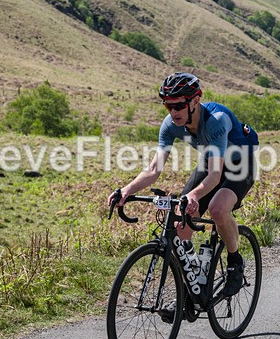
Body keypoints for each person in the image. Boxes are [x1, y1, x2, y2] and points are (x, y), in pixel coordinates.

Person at [107, 71, 258, 298]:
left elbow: (216, 177)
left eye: (178, 105)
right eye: (168, 106)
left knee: (218, 209)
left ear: (195, 101)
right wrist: (126, 191)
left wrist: (195, 195)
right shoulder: (170, 125)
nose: (173, 112)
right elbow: (153, 170)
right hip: (211, 161)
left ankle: (235, 261)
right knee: (180, 223)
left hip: (239, 165)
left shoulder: (216, 121)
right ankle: (190, 288)